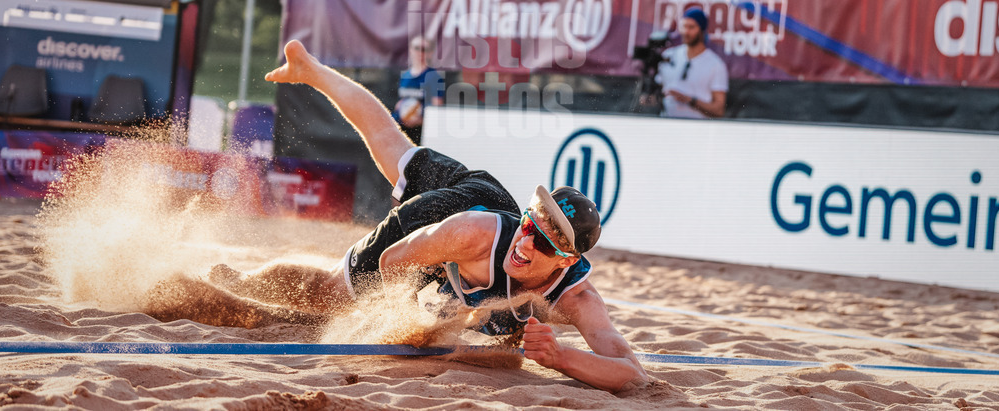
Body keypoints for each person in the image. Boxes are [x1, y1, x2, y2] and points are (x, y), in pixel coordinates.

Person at [145, 39, 649, 393]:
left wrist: (560, 357)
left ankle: (311, 71)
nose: (528, 241)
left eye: (543, 242)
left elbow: (631, 373)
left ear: (565, 264)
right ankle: (315, 74)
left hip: (476, 214)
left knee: (395, 150)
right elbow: (393, 262)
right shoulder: (474, 234)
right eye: (531, 225)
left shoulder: (576, 296)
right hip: (432, 235)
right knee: (333, 293)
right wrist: (428, 313)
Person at [654, 8, 728, 119]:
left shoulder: (716, 65)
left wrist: (688, 100)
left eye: (691, 27)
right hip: (666, 125)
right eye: (684, 26)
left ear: (702, 30)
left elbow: (718, 110)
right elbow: (655, 94)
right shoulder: (668, 55)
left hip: (697, 129)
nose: (686, 32)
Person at [393, 35, 444, 144]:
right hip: (403, 130)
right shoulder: (405, 76)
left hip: (422, 133)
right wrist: (401, 110)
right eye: (416, 48)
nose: (420, 52)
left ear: (430, 53)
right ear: (410, 50)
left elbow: (437, 107)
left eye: (424, 49)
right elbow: (401, 102)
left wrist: (420, 121)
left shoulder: (433, 77)